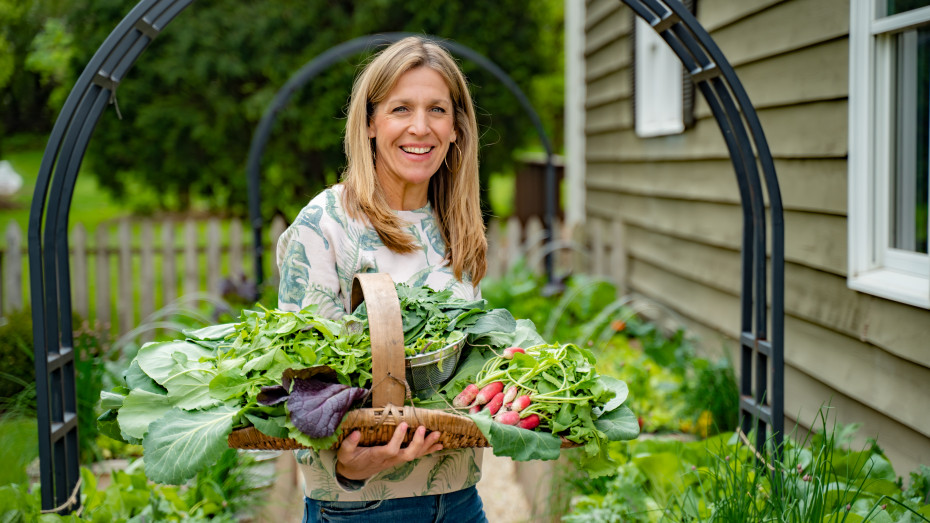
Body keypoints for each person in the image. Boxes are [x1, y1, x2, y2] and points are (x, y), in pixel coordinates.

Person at [275, 36, 489, 522]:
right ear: (370, 123)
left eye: (437, 109)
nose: (420, 127)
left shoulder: (454, 225)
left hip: (459, 500)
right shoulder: (326, 224)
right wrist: (350, 466)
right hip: (364, 506)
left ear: (456, 128)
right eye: (400, 109)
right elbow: (296, 380)